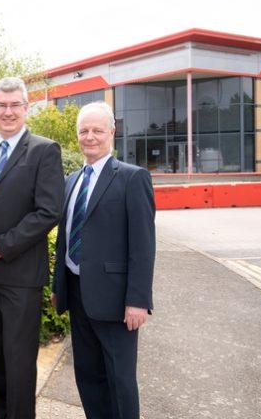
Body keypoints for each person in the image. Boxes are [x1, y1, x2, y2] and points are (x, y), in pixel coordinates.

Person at [0, 76, 65, 418]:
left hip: (20, 276)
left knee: (19, 359)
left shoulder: (44, 150)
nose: (8, 112)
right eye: (2, 105)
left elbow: (49, 211)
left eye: (15, 105)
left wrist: (4, 246)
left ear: (26, 108)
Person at [51, 101, 155, 419]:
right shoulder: (70, 181)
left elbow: (143, 246)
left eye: (97, 130)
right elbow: (65, 239)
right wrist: (58, 286)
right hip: (77, 293)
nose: (90, 137)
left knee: (120, 381)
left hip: (116, 301)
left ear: (112, 132)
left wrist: (138, 301)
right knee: (88, 376)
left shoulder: (132, 178)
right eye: (84, 130)